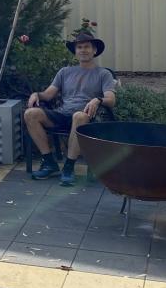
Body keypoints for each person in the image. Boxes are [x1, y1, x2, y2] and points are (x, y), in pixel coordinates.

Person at [24, 32, 117, 186]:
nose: (83, 50)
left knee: (79, 116)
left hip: (87, 119)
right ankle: (49, 163)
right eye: (79, 47)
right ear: (75, 51)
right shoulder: (65, 72)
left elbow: (111, 100)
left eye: (87, 46)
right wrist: (36, 94)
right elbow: (48, 95)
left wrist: (98, 99)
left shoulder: (103, 74)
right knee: (30, 114)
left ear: (94, 50)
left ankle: (69, 167)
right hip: (62, 114)